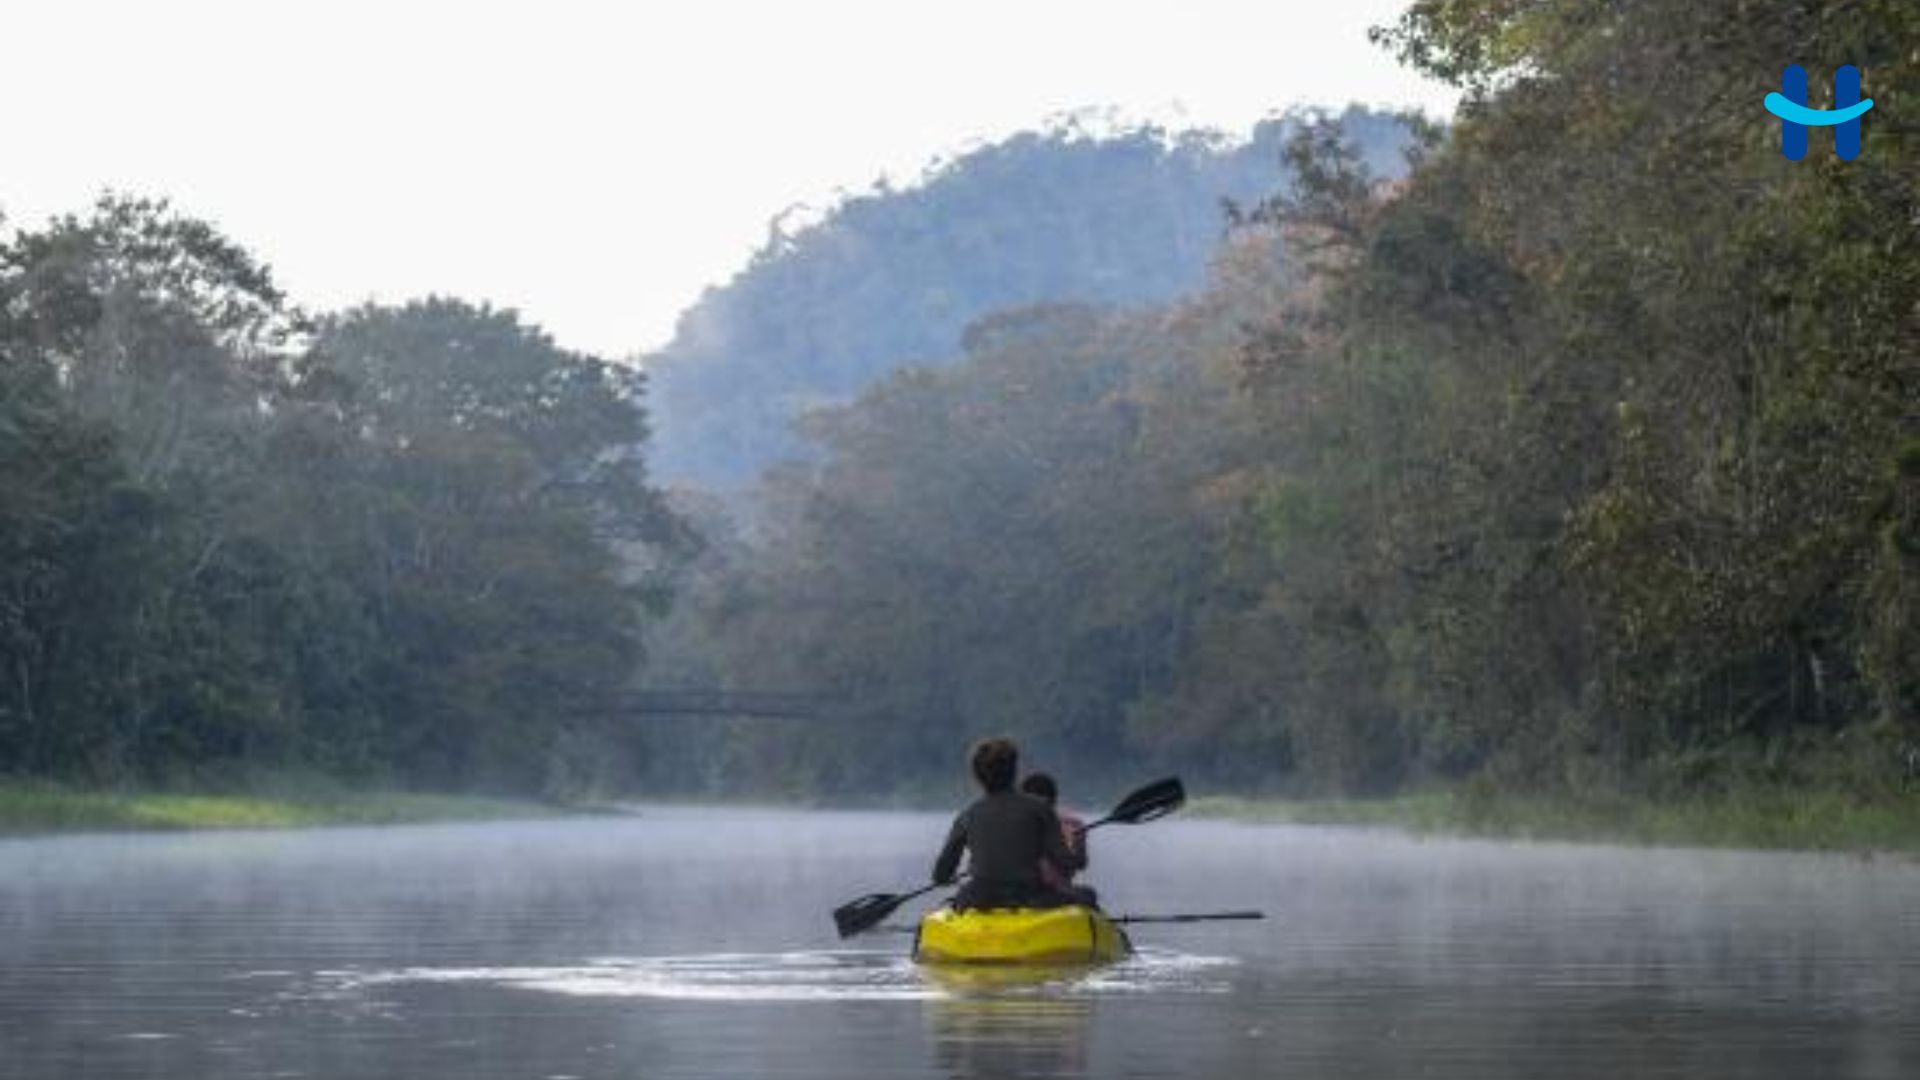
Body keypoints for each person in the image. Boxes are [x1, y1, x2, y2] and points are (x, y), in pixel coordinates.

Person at [932, 737, 1086, 910]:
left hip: (979, 898)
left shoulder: (966, 815)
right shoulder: (1040, 808)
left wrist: (949, 878)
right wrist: (1079, 844)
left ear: (977, 775)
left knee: (953, 901)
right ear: (1014, 770)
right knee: (1087, 895)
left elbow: (941, 876)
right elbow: (1065, 861)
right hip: (1029, 896)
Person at [1020, 772, 1099, 908]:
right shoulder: (1074, 825)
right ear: (1054, 799)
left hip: (1021, 893)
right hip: (1056, 892)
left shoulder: (1015, 825)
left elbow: (1080, 863)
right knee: (1089, 894)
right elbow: (1080, 863)